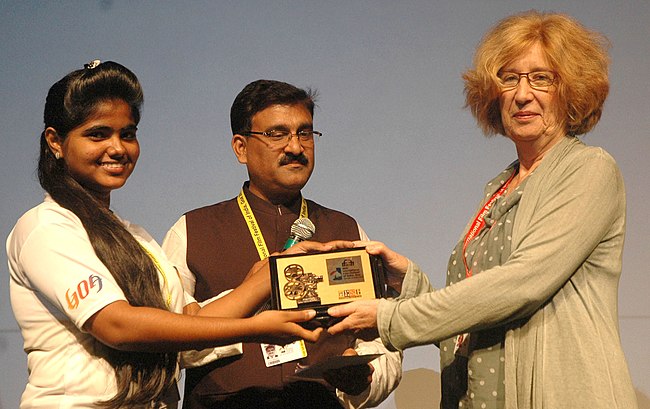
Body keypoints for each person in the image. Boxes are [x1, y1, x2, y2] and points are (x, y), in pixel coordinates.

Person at [327, 10, 638, 409]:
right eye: (509, 78)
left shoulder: (589, 169)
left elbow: (520, 285)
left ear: (571, 89)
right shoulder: (500, 187)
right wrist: (410, 283)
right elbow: (474, 315)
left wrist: (390, 318)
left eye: (541, 78)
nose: (522, 94)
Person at [6, 61, 337, 409]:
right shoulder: (46, 225)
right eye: (98, 134)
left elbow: (190, 323)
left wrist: (273, 273)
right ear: (55, 141)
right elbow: (117, 325)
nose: (118, 148)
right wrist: (254, 328)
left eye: (128, 134)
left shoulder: (136, 238)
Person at [163, 79, 402, 408]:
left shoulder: (346, 229)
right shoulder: (192, 230)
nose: (295, 147)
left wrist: (364, 381)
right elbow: (164, 345)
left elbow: (386, 340)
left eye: (304, 133)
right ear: (241, 148)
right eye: (277, 134)